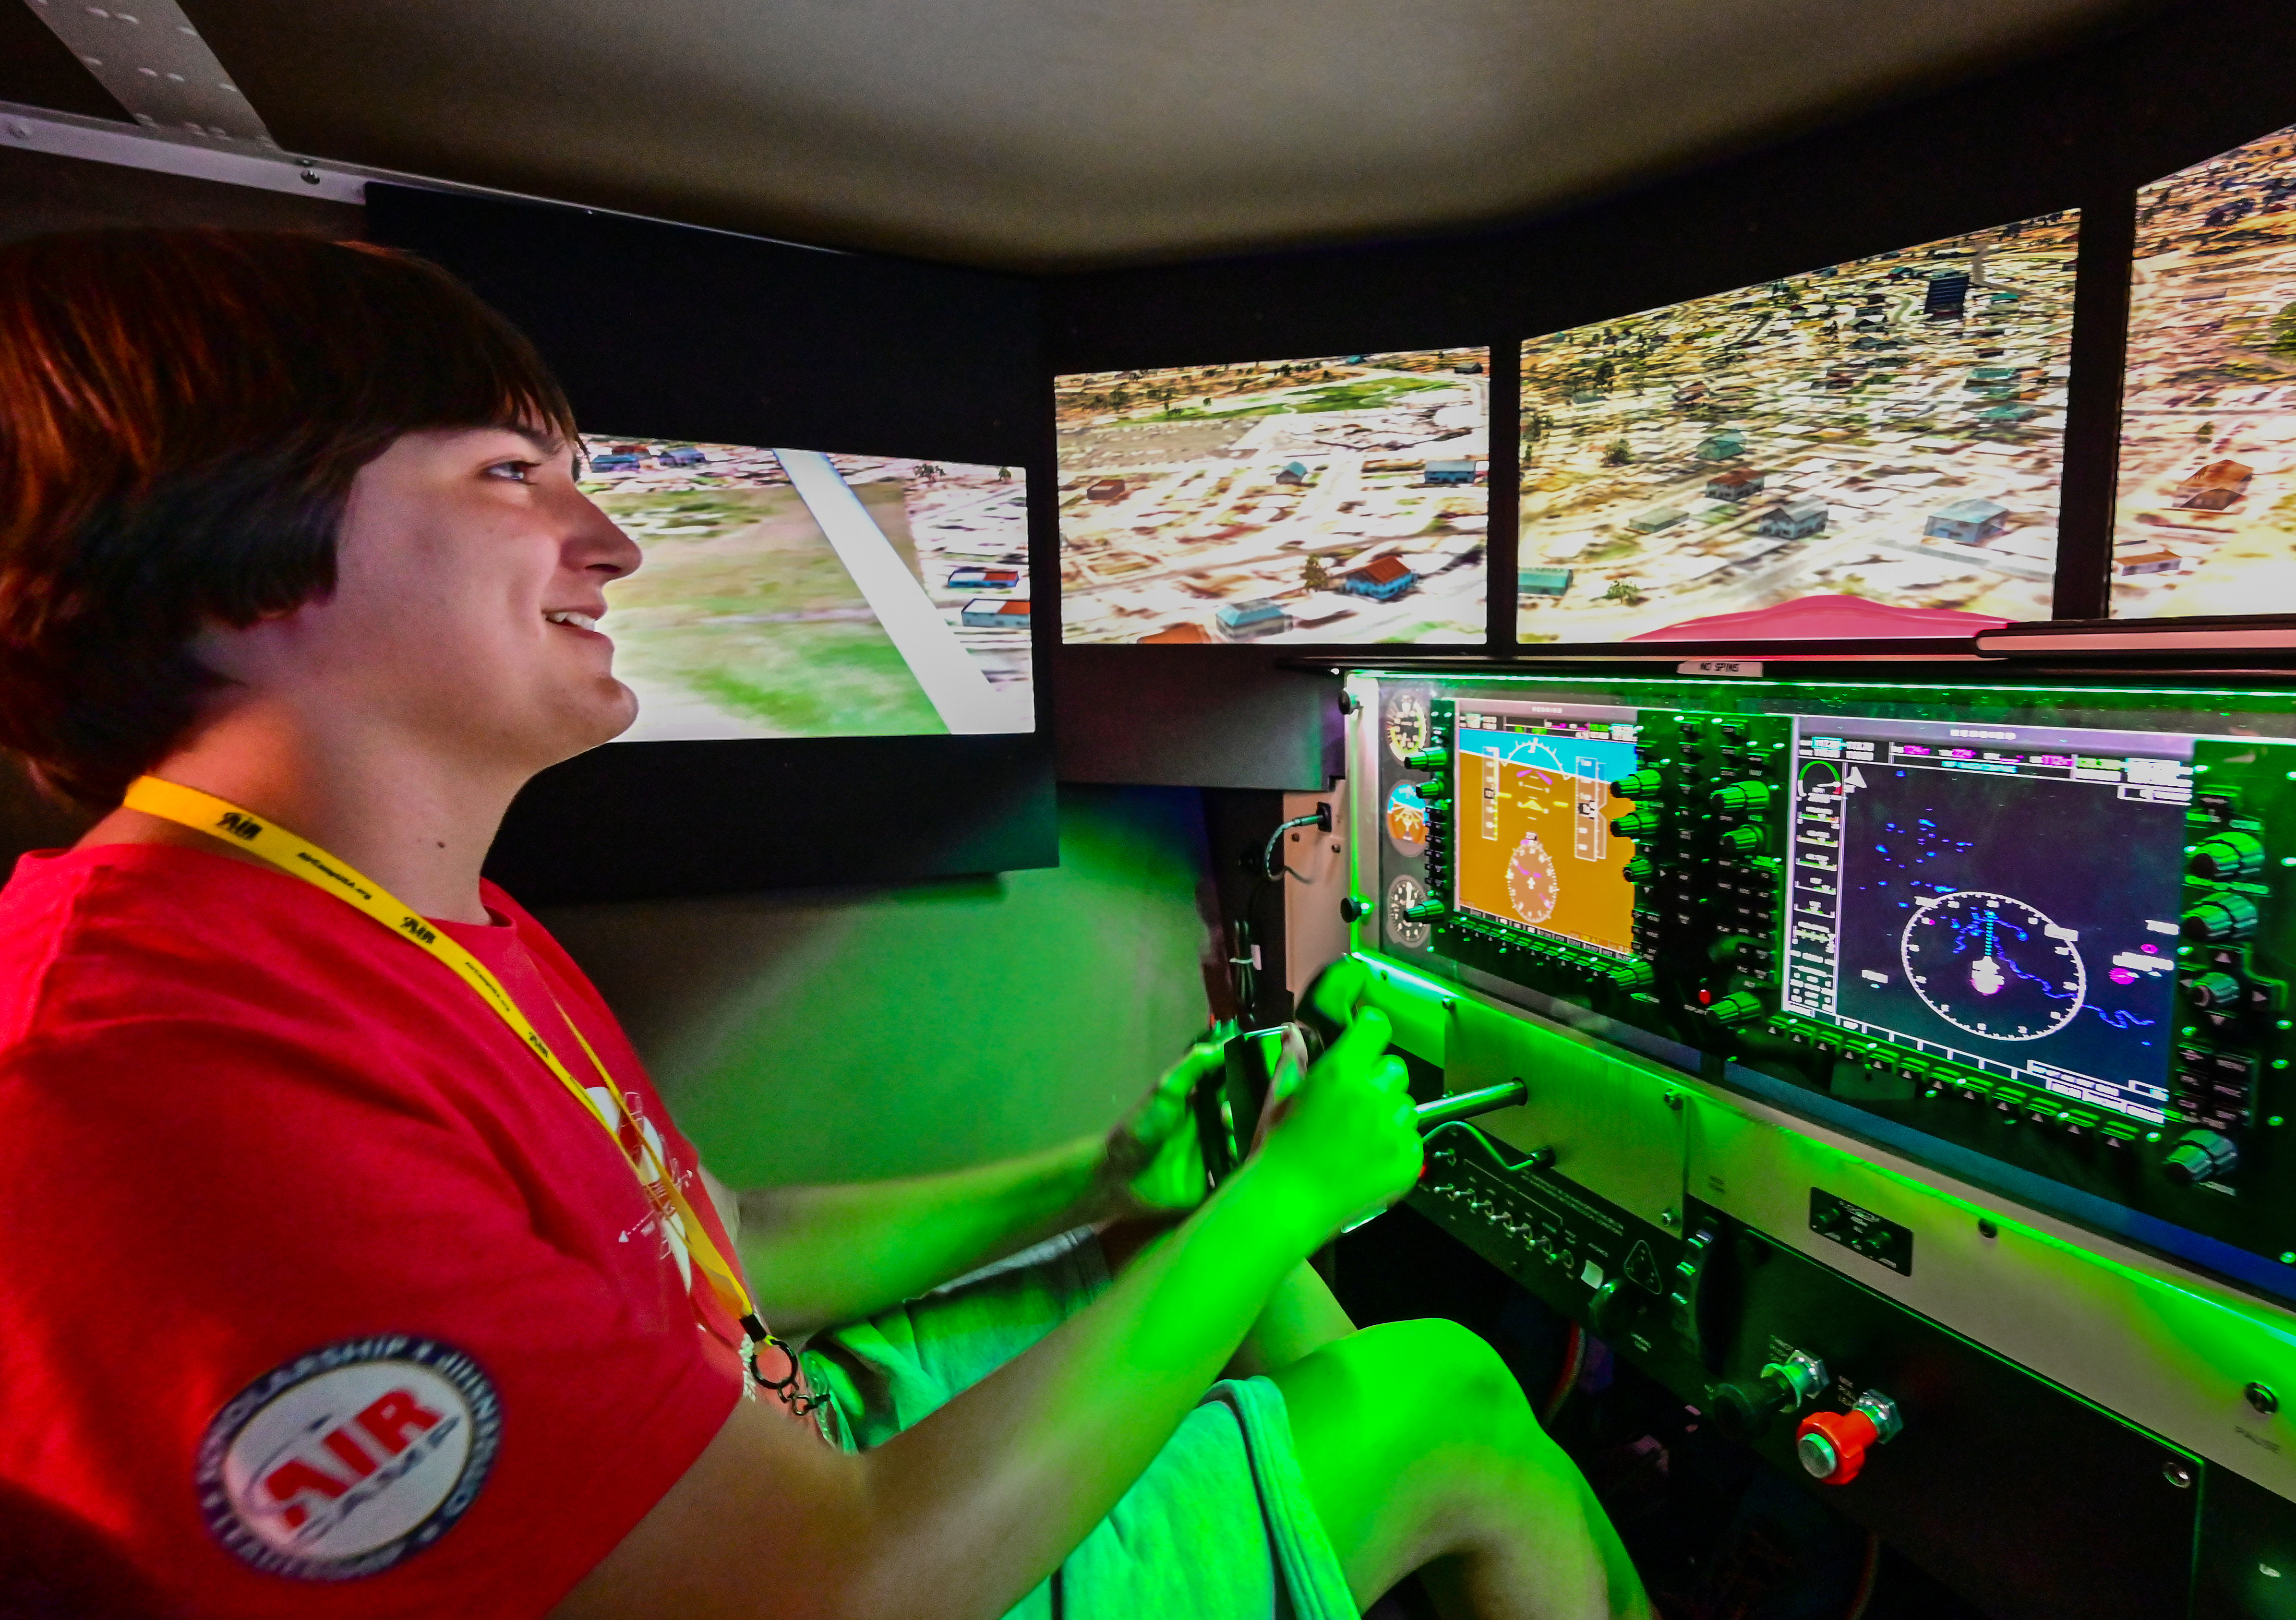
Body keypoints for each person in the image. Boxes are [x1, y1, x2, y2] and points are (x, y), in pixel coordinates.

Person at [0, 228, 1650, 1620]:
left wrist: (1106, 1183)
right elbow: (835, 1591)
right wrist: (1291, 1190)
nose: (617, 543)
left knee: (1198, 1238)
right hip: (801, 1556)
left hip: (758, 1443)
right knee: (1445, 1397)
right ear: (231, 537)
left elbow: (724, 1247)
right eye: (514, 476)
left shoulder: (395, 916)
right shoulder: (163, 1077)